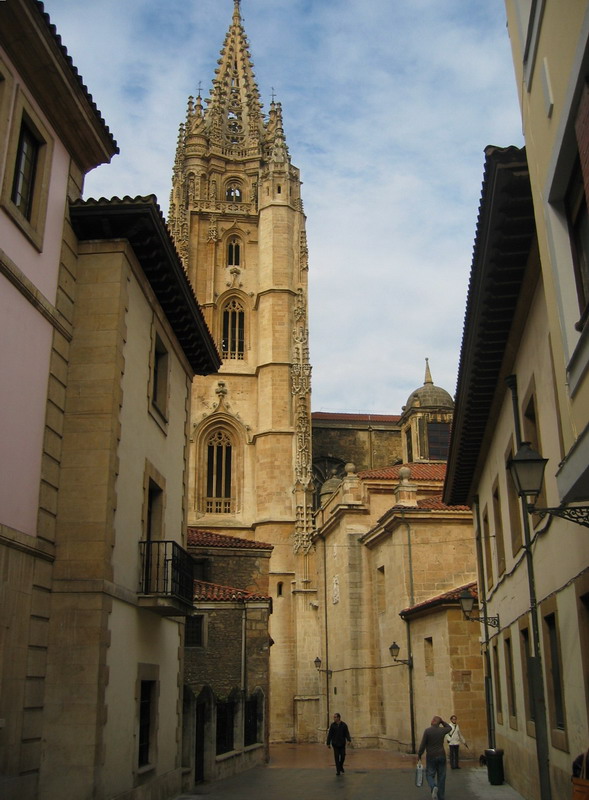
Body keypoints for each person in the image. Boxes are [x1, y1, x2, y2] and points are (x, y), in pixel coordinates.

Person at [417, 715, 452, 800]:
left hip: (431, 756)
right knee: (442, 776)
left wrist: (419, 754)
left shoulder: (427, 731)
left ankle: (433, 786)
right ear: (439, 723)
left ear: (432, 721)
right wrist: (442, 721)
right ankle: (441, 796)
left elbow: (422, 745)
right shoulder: (442, 730)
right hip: (441, 755)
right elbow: (449, 728)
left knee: (429, 774)